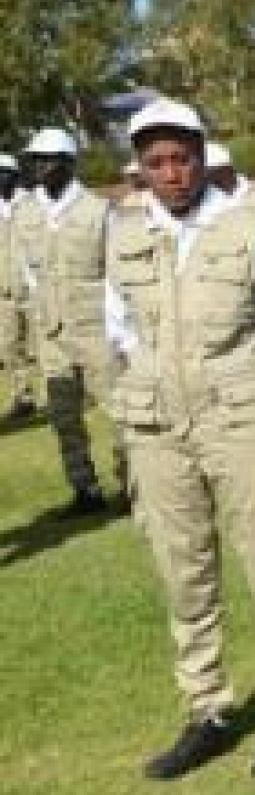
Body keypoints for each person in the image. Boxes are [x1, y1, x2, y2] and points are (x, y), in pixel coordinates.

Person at [107, 98, 255, 780]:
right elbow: (119, 324)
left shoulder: (252, 226)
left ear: (202, 158)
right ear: (141, 170)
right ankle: (207, 710)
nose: (171, 173)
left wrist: (247, 381)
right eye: (156, 162)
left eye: (182, 159)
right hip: (159, 427)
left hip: (242, 420)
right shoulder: (125, 235)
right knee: (184, 572)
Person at [17, 126, 126, 515]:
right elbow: (29, 271)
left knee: (120, 409)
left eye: (47, 160)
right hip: (52, 329)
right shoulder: (26, 211)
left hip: (96, 326)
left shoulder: (98, 211)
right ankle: (85, 488)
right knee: (64, 415)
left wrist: (117, 331)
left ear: (67, 164)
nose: (39, 168)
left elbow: (115, 274)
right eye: (34, 160)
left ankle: (131, 484)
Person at [0, 154, 38, 419]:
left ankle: (73, 392)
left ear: (13, 175)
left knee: (51, 346)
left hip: (36, 289)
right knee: (10, 346)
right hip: (5, 291)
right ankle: (22, 397)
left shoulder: (33, 203)